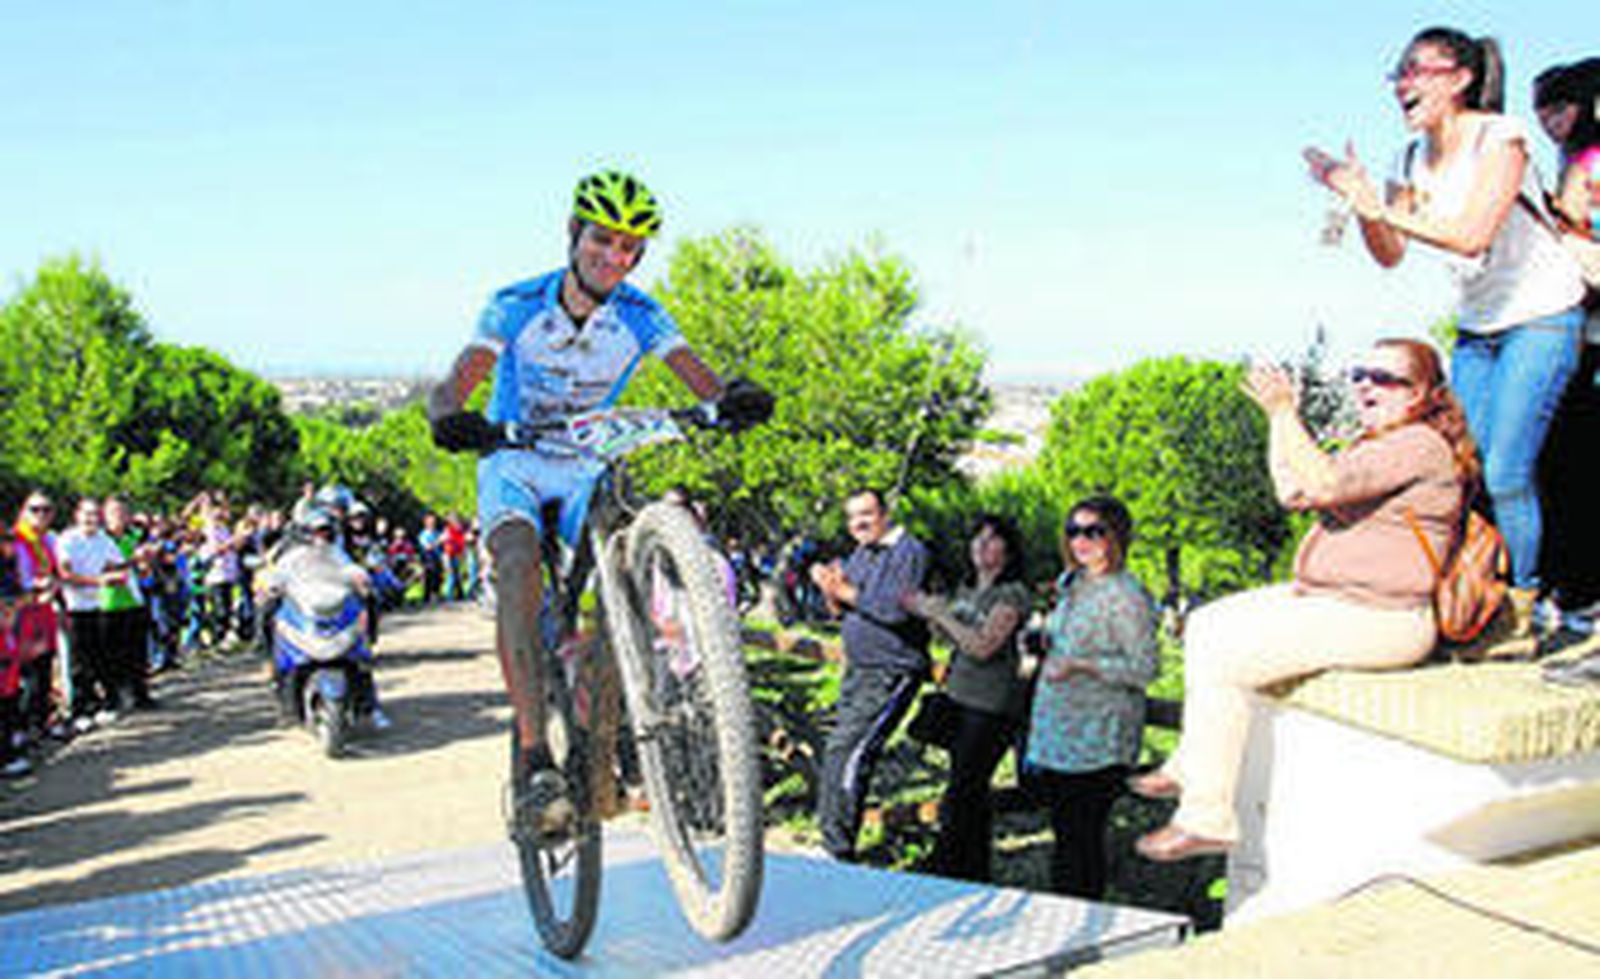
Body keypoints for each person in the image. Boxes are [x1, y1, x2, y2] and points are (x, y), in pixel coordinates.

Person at [427, 169, 772, 828]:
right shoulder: (516, 303)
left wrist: (730, 397)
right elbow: (455, 383)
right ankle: (533, 761)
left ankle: (618, 702)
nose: (616, 257)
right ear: (572, 233)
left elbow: (700, 379)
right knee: (519, 565)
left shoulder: (641, 315)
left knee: (624, 550)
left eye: (631, 248)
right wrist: (449, 416)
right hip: (517, 461)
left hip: (586, 464)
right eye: (603, 241)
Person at [1305, 27, 1588, 655]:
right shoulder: (1410, 160)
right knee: (1473, 470)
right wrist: (1359, 204)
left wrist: (1379, 204)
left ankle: (1529, 603)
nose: (1403, 86)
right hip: (1479, 328)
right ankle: (1477, 594)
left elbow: (1470, 234)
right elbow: (1390, 254)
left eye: (1416, 72)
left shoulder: (1501, 137)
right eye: (1397, 76)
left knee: (1510, 468)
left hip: (1542, 314)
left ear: (1459, 79)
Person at [1133, 339, 1473, 861]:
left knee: (1229, 652)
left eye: (1384, 378)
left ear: (1423, 393)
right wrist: (1277, 422)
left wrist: (1285, 411)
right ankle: (1190, 766)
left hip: (1384, 617)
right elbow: (1294, 490)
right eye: (1361, 373)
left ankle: (1209, 816)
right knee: (1205, 623)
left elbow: (1327, 482)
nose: (1365, 384)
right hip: (1341, 600)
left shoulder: (1419, 445)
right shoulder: (1380, 443)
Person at [1021, 498, 1158, 898]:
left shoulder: (1126, 594)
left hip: (1097, 738)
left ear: (1116, 535)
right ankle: (1064, 922)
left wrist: (1084, 665)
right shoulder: (1074, 584)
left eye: (1093, 531)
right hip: (1059, 732)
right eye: (1073, 530)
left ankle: (1084, 929)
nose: (1081, 540)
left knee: (1081, 842)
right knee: (1065, 837)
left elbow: (1145, 668)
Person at [902, 513, 1031, 883]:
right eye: (977, 539)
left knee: (963, 790)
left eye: (992, 540)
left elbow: (983, 646)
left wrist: (942, 613)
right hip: (959, 698)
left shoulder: (1012, 595)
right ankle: (969, 870)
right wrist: (931, 616)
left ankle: (946, 866)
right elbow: (951, 639)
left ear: (1008, 550)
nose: (981, 546)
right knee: (968, 791)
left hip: (991, 705)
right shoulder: (967, 589)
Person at [809, 488, 931, 861]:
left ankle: (838, 848)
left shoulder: (909, 552)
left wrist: (845, 591)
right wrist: (829, 589)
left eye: (866, 514)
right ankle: (831, 840)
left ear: (885, 513)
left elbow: (897, 610)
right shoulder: (861, 553)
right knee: (839, 750)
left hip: (891, 670)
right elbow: (843, 610)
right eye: (852, 518)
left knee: (850, 754)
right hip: (859, 668)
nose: (858, 523)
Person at [55, 498, 128, 730]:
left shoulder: (102, 539)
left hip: (97, 606)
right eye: (87, 514)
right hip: (74, 607)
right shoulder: (68, 539)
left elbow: (118, 563)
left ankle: (103, 703)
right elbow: (64, 574)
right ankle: (79, 710)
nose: (91, 519)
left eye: (95, 515)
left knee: (100, 656)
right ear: (77, 515)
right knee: (78, 661)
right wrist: (99, 580)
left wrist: (118, 573)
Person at [12, 492, 64, 741]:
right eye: (35, 509)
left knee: (44, 669)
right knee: (24, 673)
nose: (42, 515)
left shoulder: (48, 540)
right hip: (20, 616)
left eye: (47, 510)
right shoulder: (16, 540)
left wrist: (53, 585)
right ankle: (22, 727)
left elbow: (57, 571)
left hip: (44, 613)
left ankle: (41, 720)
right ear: (23, 511)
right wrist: (36, 587)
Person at [102, 496, 156, 711]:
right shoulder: (100, 540)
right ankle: (117, 695)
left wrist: (145, 563)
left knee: (137, 650)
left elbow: (142, 570)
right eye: (114, 513)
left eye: (123, 513)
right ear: (105, 516)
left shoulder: (132, 537)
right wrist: (133, 560)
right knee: (114, 653)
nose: (119, 517)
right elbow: (104, 567)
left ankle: (140, 693)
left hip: (134, 599)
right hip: (108, 602)